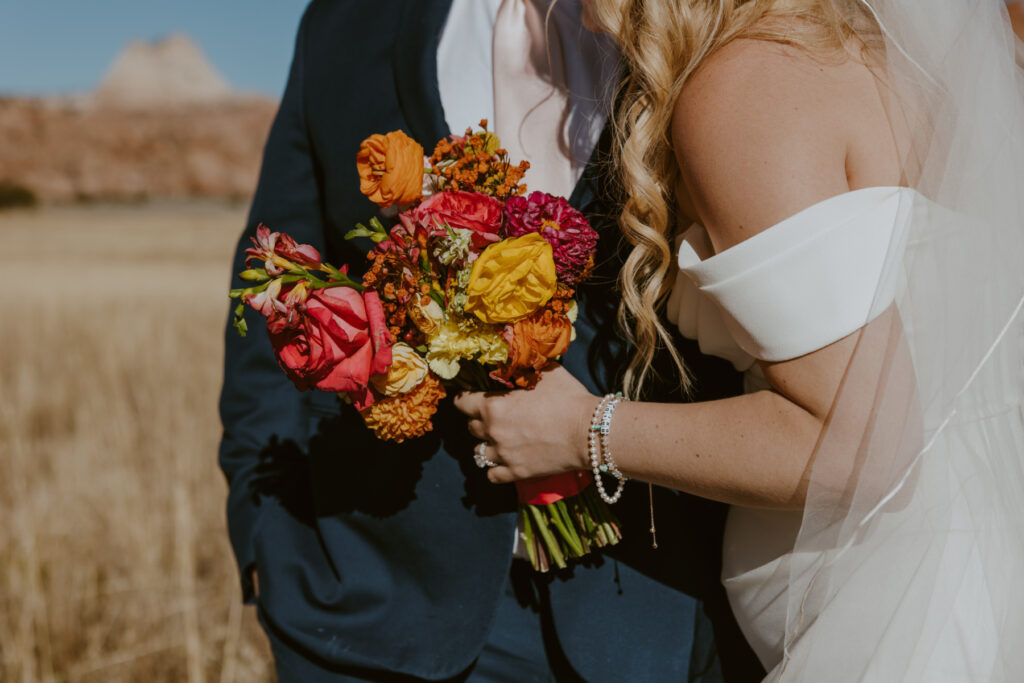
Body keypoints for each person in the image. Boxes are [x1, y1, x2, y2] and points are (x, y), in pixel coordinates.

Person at [456, 0, 1024, 679]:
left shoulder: (746, 85)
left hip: (901, 617)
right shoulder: (855, 49)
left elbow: (857, 448)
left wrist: (581, 430)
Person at [219, 1, 762, 681]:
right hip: (373, 604)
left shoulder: (692, 16)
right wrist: (261, 529)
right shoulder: (344, 21)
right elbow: (273, 278)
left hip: (650, 604)